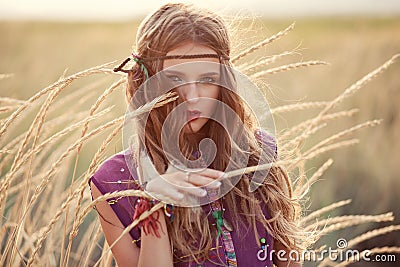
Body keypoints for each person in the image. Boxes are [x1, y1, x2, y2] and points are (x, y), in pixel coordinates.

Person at [90, 3, 304, 266]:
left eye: (206, 79)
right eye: (176, 80)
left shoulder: (257, 156)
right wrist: (155, 206)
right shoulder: (114, 184)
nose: (193, 98)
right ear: (147, 82)